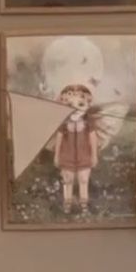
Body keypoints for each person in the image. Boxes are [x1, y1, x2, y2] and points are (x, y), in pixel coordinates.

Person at [53, 83, 99, 215]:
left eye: (80, 104)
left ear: (88, 105)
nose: (75, 109)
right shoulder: (64, 123)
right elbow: (59, 138)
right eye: (69, 105)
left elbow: (93, 138)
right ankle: (67, 207)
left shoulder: (88, 122)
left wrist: (94, 156)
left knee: (84, 180)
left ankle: (84, 208)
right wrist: (56, 156)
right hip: (67, 156)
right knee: (68, 181)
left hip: (84, 156)